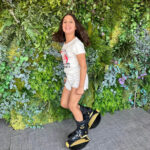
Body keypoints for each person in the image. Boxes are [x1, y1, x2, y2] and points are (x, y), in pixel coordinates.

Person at [52, 13, 101, 149]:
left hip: (79, 79)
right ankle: (87, 112)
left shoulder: (77, 44)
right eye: (65, 22)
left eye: (71, 22)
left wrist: (80, 86)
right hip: (70, 79)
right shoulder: (65, 45)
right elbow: (70, 64)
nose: (67, 24)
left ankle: (82, 132)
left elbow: (83, 66)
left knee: (73, 106)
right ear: (62, 26)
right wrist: (67, 76)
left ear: (75, 27)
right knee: (64, 103)